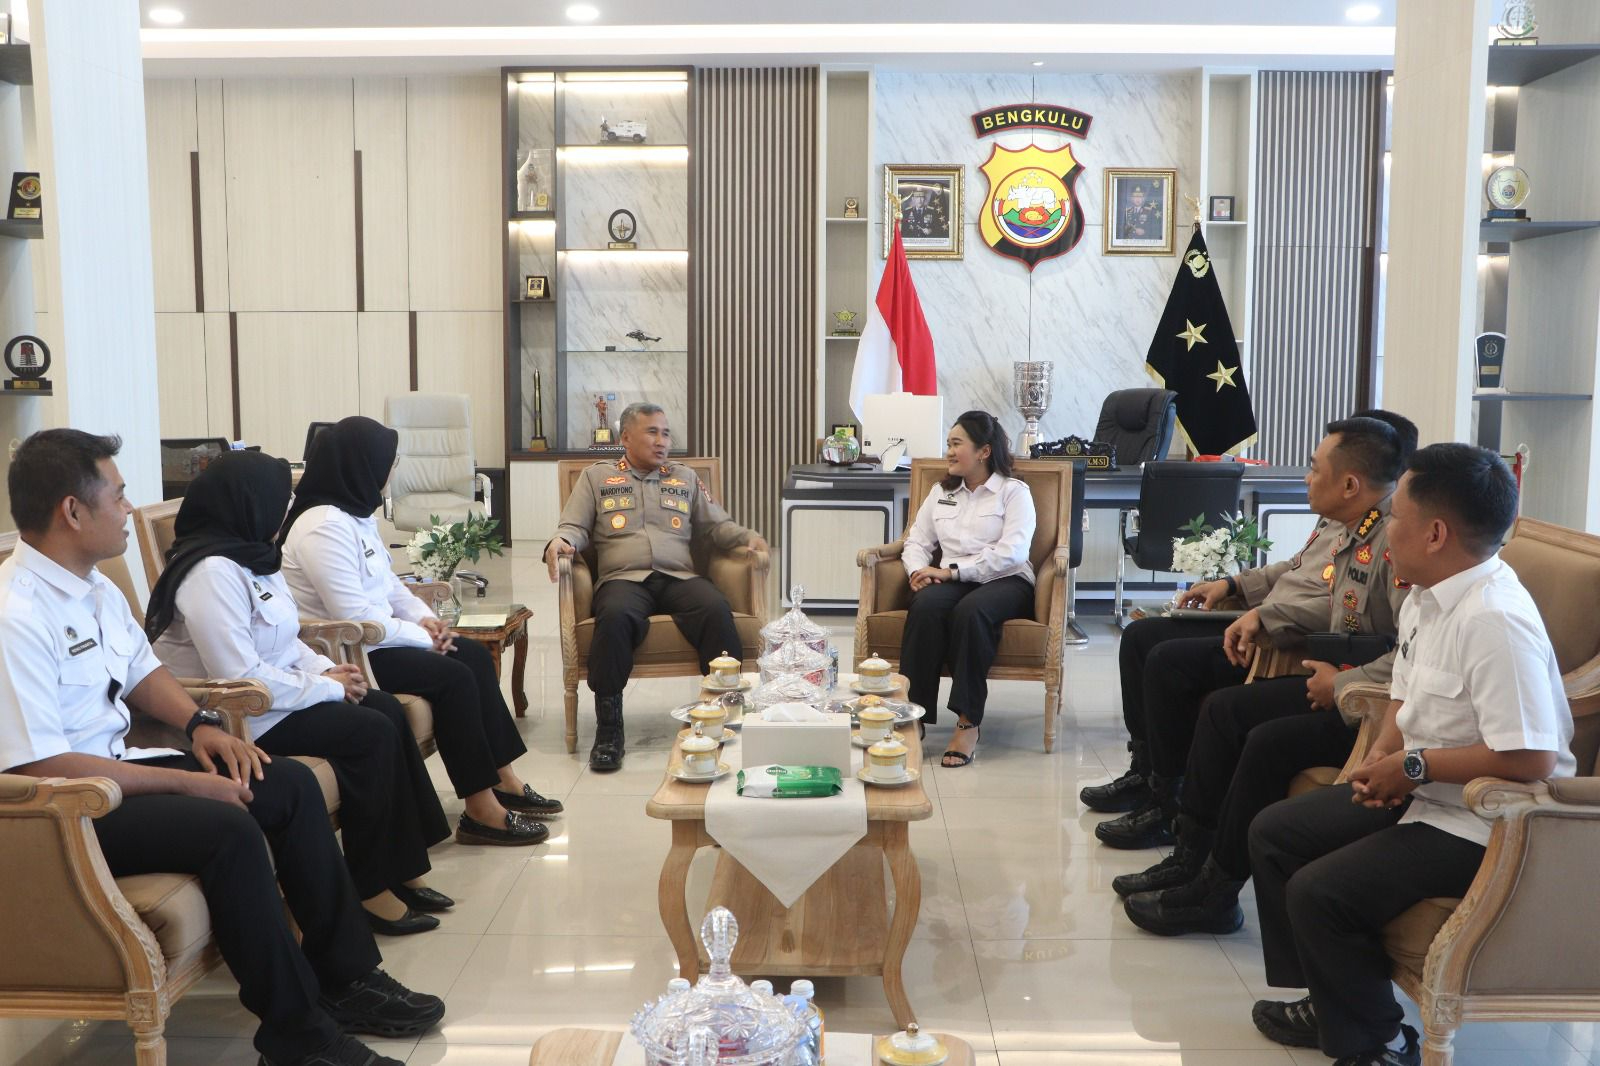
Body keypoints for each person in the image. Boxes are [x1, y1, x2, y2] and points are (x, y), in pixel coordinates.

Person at [0, 429, 443, 1066]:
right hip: (69, 810)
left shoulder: (92, 586)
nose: (128, 509)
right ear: (72, 511)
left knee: (286, 785)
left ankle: (346, 981)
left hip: (121, 769)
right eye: (118, 496)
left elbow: (143, 672)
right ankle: (297, 1039)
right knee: (228, 826)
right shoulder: (16, 613)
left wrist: (200, 725)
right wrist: (187, 781)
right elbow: (42, 764)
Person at [1248, 443, 1574, 1066]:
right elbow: (1405, 693)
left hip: (1486, 824)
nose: (1384, 526)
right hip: (1423, 790)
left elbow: (1531, 759)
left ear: (1435, 533)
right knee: (1275, 834)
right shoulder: (1428, 593)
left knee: (1320, 892)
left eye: (1395, 515)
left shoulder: (1494, 621)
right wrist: (1383, 758)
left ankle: (1380, 1042)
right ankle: (1330, 998)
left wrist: (1412, 768)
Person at [1118, 413, 1418, 933]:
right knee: (1216, 703)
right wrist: (1243, 594)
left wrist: (1340, 683)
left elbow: (1410, 653)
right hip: (1335, 673)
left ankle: (1213, 885)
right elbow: (1312, 582)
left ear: (1350, 484)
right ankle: (1191, 853)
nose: (1306, 477)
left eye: (1314, 468)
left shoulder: (1393, 545)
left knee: (1245, 726)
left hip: (1363, 697)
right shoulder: (1355, 526)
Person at [147, 450, 453, 936]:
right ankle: (370, 888)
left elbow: (287, 640)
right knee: (370, 731)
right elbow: (239, 674)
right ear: (249, 504)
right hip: (239, 715)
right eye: (279, 502)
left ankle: (398, 867)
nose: (285, 512)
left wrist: (330, 668)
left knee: (384, 710)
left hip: (279, 698)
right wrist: (326, 687)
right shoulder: (210, 573)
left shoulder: (254, 556)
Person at [280, 416, 560, 847]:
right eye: (388, 463)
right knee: (454, 676)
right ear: (363, 465)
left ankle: (503, 780)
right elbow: (356, 617)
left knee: (471, 655)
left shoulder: (353, 514)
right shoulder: (322, 526)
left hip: (380, 639)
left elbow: (389, 585)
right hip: (348, 651)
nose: (392, 472)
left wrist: (425, 619)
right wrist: (423, 638)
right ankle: (481, 810)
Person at [545, 402, 770, 772]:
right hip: (623, 579)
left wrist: (748, 538)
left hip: (679, 577)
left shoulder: (685, 477)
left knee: (715, 609)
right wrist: (561, 542)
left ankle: (722, 714)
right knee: (614, 618)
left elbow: (718, 526)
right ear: (626, 437)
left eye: (666, 433)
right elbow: (574, 526)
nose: (662, 440)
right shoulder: (596, 477)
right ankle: (609, 731)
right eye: (652, 432)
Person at [898, 410, 1037, 767]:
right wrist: (918, 572)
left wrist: (952, 573)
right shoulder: (941, 492)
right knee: (925, 606)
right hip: (952, 577)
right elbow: (916, 542)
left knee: (971, 612)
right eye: (948, 443)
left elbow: (1013, 553)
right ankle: (915, 716)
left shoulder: (1013, 493)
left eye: (956, 444)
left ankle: (968, 721)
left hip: (1005, 580)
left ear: (983, 451)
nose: (948, 451)